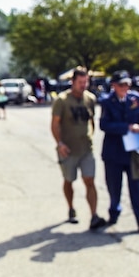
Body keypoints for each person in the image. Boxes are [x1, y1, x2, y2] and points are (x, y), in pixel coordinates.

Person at [50, 67, 107, 230]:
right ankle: (71, 208)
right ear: (72, 82)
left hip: (86, 148)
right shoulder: (62, 100)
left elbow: (92, 121)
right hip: (68, 149)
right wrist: (60, 143)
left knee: (89, 180)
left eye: (86, 82)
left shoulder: (90, 99)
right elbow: (54, 125)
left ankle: (94, 216)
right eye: (80, 82)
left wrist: (90, 135)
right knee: (69, 180)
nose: (83, 85)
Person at [100, 70, 139, 232]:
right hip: (113, 152)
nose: (125, 87)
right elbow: (105, 125)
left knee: (135, 186)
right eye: (121, 85)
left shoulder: (135, 99)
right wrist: (126, 127)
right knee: (114, 187)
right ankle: (114, 211)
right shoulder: (107, 102)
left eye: (127, 84)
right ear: (114, 86)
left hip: (132, 150)